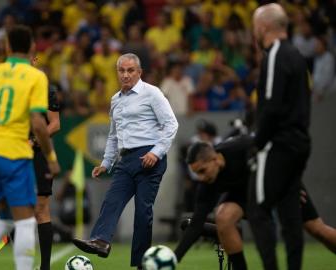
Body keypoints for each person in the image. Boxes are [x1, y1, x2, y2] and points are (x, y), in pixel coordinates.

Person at [0, 25, 60, 270]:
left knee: (4, 221)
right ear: (31, 48)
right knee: (25, 221)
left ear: (6, 47)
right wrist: (50, 155)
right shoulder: (35, 77)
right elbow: (38, 123)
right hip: (14, 154)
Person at [72, 53, 178, 269]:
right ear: (117, 73)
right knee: (111, 200)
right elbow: (113, 135)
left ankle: (141, 264)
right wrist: (106, 163)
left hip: (150, 157)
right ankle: (101, 241)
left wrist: (156, 152)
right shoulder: (115, 100)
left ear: (139, 72)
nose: (126, 75)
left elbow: (171, 124)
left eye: (131, 70)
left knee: (142, 212)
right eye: (122, 70)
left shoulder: (152, 93)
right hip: (126, 159)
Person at [175, 137, 336, 269]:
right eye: (197, 174)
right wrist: (175, 258)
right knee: (224, 217)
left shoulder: (241, 147)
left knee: (317, 229)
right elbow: (196, 224)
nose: (201, 178)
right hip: (244, 193)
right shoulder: (207, 184)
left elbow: (276, 153)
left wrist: (289, 183)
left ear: (215, 159)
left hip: (278, 181)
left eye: (203, 171)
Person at [250, 4, 311, 270]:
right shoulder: (297, 55)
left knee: (257, 208)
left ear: (263, 26)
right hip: (299, 143)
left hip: (278, 144)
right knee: (290, 215)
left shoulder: (274, 54)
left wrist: (258, 142)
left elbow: (272, 104)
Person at [31, 82, 60, 270]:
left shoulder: (46, 89)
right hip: (14, 153)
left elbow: (55, 124)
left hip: (38, 154)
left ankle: (45, 267)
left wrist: (33, 141)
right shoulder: (10, 84)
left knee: (41, 208)